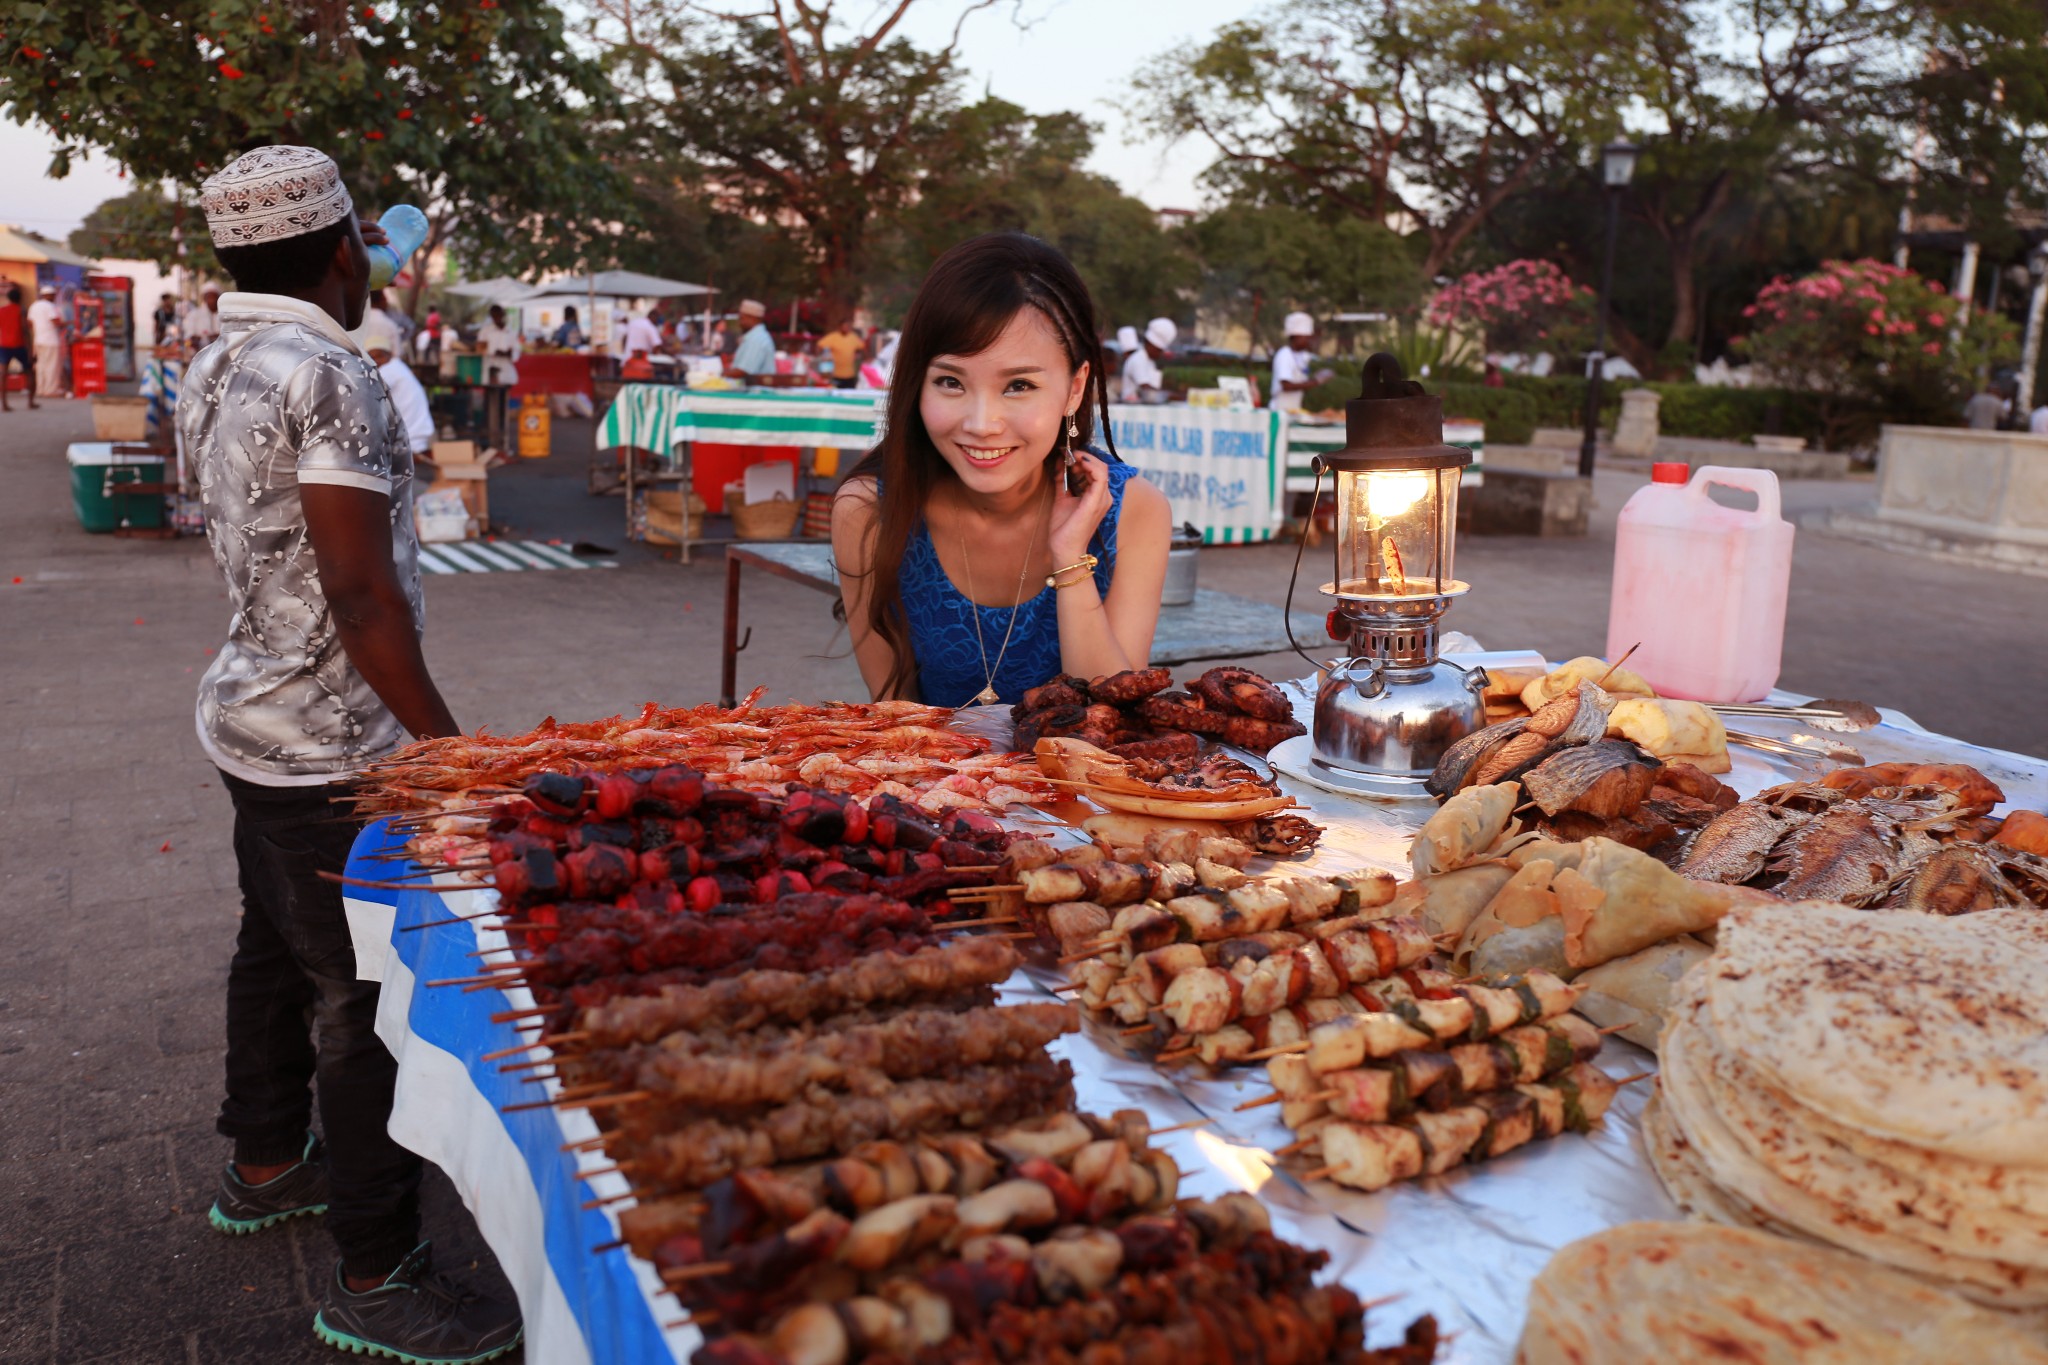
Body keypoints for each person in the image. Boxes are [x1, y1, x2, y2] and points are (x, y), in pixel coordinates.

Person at [178, 144, 521, 1364]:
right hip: (330, 751)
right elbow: (361, 592)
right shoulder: (333, 370)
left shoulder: (213, 357)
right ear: (340, 252)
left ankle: (267, 1156)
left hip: (247, 725)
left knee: (272, 949)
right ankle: (378, 1270)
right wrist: (449, 752)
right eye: (365, 244)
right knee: (366, 1002)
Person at [832, 232, 1172, 706]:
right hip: (932, 777)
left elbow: (1110, 719)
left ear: (1074, 390)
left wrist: (1071, 557)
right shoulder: (869, 510)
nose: (981, 424)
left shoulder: (1135, 509)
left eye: (1018, 386)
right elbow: (894, 716)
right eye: (950, 381)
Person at [1270, 312, 1320, 412]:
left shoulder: (1303, 356)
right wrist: (1315, 382)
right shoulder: (1284, 355)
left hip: (1295, 409)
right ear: (1296, 337)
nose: (1309, 341)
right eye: (1306, 338)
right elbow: (1286, 386)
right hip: (1280, 410)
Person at [1119, 317, 1173, 402]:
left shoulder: (1150, 362)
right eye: (1159, 350)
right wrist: (1169, 395)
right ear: (1150, 344)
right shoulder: (1138, 359)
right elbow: (1146, 389)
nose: (1160, 354)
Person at [0, 285, 36, 411]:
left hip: (4, 345)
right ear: (20, 298)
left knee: (3, 375)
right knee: (30, 373)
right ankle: (30, 402)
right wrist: (30, 349)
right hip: (20, 345)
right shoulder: (21, 310)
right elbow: (25, 330)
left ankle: (4, 404)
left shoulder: (2, 310)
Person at [29, 284, 66, 398]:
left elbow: (29, 323)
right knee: (52, 366)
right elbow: (55, 321)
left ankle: (41, 389)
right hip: (50, 341)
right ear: (49, 295)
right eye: (53, 295)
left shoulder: (34, 306)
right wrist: (69, 323)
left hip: (38, 340)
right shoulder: (50, 306)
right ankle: (51, 390)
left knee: (41, 366)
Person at [476, 303, 520, 386]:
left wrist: (507, 353)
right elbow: (480, 350)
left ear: (503, 314)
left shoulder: (511, 332)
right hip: (490, 368)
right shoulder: (485, 331)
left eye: (498, 314)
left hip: (506, 369)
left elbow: (516, 352)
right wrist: (492, 352)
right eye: (494, 315)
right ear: (491, 316)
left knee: (505, 392)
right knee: (491, 393)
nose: (496, 317)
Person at [730, 299, 775, 379]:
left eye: (742, 319)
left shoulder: (757, 339)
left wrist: (718, 374)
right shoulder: (754, 337)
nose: (739, 323)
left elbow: (744, 371)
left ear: (753, 319)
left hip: (756, 390)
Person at [819, 318, 865, 390]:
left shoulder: (853, 337)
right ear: (840, 327)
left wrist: (858, 354)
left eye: (847, 326)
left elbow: (862, 347)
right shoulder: (833, 337)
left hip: (850, 375)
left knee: (849, 395)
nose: (846, 328)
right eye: (844, 326)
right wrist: (825, 356)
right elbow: (820, 345)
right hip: (835, 374)